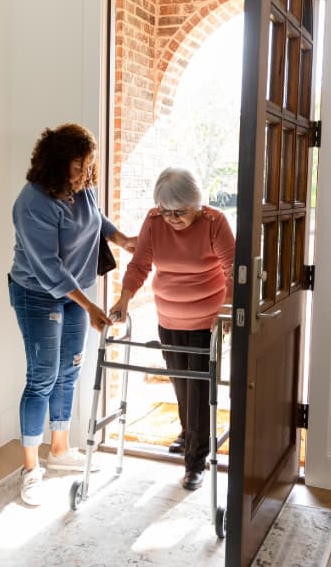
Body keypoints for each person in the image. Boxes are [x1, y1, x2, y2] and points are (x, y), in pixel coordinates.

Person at [9, 123, 136, 505]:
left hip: (75, 295)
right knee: (42, 378)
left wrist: (123, 239)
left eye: (88, 167)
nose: (85, 175)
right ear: (55, 164)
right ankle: (31, 470)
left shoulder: (83, 187)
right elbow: (49, 270)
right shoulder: (32, 203)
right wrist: (92, 306)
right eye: (78, 168)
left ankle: (60, 450)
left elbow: (96, 219)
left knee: (71, 369)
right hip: (37, 292)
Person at [109, 167, 235, 490]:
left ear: (197, 203)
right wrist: (123, 300)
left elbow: (232, 266)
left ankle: (196, 462)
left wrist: (229, 309)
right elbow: (139, 265)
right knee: (180, 385)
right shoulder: (154, 222)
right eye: (167, 212)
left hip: (206, 321)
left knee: (198, 390)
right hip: (168, 318)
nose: (173, 219)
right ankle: (189, 435)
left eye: (180, 212)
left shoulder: (214, 223)